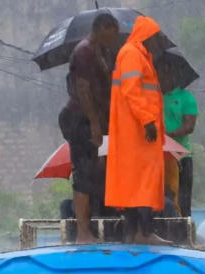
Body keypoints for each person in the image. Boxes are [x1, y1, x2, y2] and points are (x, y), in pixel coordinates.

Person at [106, 16, 170, 244]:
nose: (158, 41)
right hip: (138, 131)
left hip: (135, 130)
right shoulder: (132, 54)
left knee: (134, 183)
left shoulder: (136, 55)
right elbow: (132, 91)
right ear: (146, 36)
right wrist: (147, 121)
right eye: (155, 37)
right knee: (144, 181)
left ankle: (134, 232)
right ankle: (144, 232)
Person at [58, 14, 120, 244]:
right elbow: (83, 89)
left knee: (98, 172)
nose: (113, 39)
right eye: (112, 33)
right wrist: (94, 122)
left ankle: (92, 227)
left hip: (98, 121)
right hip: (80, 119)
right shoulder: (83, 51)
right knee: (83, 174)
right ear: (102, 28)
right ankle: (83, 233)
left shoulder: (100, 53)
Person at [161, 82, 198, 217]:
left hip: (181, 155)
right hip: (159, 156)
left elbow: (189, 126)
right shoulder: (155, 96)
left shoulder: (187, 98)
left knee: (183, 198)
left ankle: (183, 228)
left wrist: (168, 135)